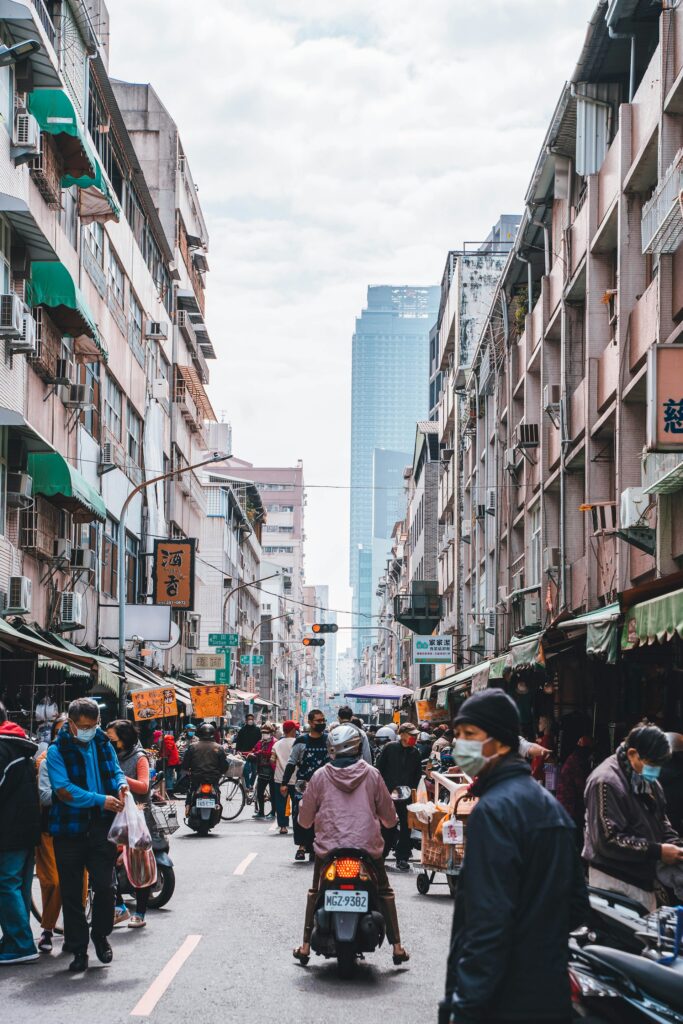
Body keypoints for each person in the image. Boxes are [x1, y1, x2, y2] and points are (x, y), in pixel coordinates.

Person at [441, 689, 589, 1024]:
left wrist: (465, 1007)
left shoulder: (493, 812)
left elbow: (486, 925)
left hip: (501, 1001)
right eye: (457, 735)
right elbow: (577, 906)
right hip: (549, 992)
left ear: (501, 743)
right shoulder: (552, 810)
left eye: (469, 735)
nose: (458, 744)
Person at [292, 723, 409, 966]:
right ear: (358, 748)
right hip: (366, 846)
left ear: (331, 749)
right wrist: (390, 822)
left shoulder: (320, 776)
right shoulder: (372, 774)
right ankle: (397, 947)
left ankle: (304, 947)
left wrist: (307, 819)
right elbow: (388, 815)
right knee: (384, 891)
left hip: (329, 847)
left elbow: (304, 820)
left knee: (316, 891)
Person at [47, 697, 127, 973]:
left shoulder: (102, 742)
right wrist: (99, 799)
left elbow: (115, 770)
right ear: (71, 724)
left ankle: (100, 935)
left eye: (93, 725)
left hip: (102, 827)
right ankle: (79, 949)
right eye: (83, 725)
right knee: (71, 893)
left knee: (106, 886)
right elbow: (63, 790)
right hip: (69, 830)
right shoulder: (57, 751)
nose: (89, 729)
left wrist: (121, 786)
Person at [583, 724, 683, 912]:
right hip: (614, 882)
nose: (656, 771)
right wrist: (658, 851)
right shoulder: (605, 781)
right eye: (652, 764)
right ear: (632, 753)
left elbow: (661, 819)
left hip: (643, 881)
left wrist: (675, 846)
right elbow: (607, 840)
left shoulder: (648, 781)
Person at [0, 701, 41, 965]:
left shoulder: (3, 747)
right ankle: (17, 938)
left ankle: (21, 944)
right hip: (26, 827)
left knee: (6, 884)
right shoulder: (18, 743)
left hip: (10, 829)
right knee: (19, 884)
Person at [106, 720, 153, 930]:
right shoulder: (109, 756)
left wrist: (120, 778)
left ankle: (140, 912)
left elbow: (143, 786)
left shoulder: (139, 757)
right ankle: (119, 907)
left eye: (112, 738)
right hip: (115, 815)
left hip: (137, 817)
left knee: (138, 864)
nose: (109, 742)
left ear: (123, 738)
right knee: (108, 862)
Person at [34, 714, 69, 953]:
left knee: (77, 883)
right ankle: (47, 929)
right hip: (48, 828)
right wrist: (72, 794)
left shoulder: (86, 756)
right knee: (53, 882)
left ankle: (73, 934)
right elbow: (45, 796)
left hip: (76, 828)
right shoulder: (46, 760)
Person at [281, 709, 329, 861]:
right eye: (318, 721)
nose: (321, 724)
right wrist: (284, 783)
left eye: (323, 720)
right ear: (310, 722)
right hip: (303, 784)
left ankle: (316, 846)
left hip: (324, 785)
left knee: (322, 815)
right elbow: (291, 763)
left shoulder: (329, 740)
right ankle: (302, 846)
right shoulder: (301, 741)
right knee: (300, 814)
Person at [376, 722, 422, 871]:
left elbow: (417, 774)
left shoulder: (415, 753)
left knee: (406, 827)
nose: (414, 737)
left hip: (406, 795)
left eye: (416, 735)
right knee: (387, 826)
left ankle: (402, 857)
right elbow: (379, 769)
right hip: (388, 794)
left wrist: (411, 790)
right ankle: (381, 855)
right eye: (411, 735)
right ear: (402, 734)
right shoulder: (390, 748)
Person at [182, 721, 228, 811]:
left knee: (191, 791)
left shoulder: (193, 747)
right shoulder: (219, 748)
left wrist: (187, 769)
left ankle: (188, 807)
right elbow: (224, 766)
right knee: (216, 792)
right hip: (213, 777)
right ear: (212, 733)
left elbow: (185, 764)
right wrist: (220, 771)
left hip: (196, 777)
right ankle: (217, 803)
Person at [555, 736, 593, 840]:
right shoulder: (576, 762)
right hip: (569, 805)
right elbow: (581, 786)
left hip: (568, 804)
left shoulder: (575, 759)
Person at [272, 721, 298, 834]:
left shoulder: (277, 744)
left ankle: (283, 827)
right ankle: (298, 825)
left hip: (279, 778)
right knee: (297, 803)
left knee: (280, 803)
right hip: (295, 778)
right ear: (292, 730)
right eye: (295, 729)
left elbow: (272, 760)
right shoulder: (298, 743)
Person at [251, 725, 276, 820]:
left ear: (271, 733)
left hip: (272, 771)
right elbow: (254, 750)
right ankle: (261, 812)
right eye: (263, 733)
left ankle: (273, 812)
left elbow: (271, 753)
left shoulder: (275, 742)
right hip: (262, 770)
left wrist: (260, 752)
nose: (264, 734)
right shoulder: (260, 742)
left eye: (266, 732)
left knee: (273, 793)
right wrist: (251, 753)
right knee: (259, 792)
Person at [235, 714, 261, 789]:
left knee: (254, 772)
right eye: (249, 719)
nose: (250, 721)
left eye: (252, 719)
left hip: (254, 754)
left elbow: (259, 742)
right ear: (246, 720)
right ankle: (247, 785)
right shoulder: (242, 730)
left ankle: (251, 784)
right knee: (245, 770)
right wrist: (237, 751)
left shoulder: (257, 730)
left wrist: (258, 751)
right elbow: (238, 742)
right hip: (244, 754)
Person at [160, 729, 180, 797]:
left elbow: (168, 750)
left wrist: (164, 756)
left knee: (169, 775)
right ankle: (168, 789)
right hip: (171, 760)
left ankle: (169, 791)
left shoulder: (167, 740)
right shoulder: (167, 740)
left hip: (170, 761)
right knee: (169, 775)